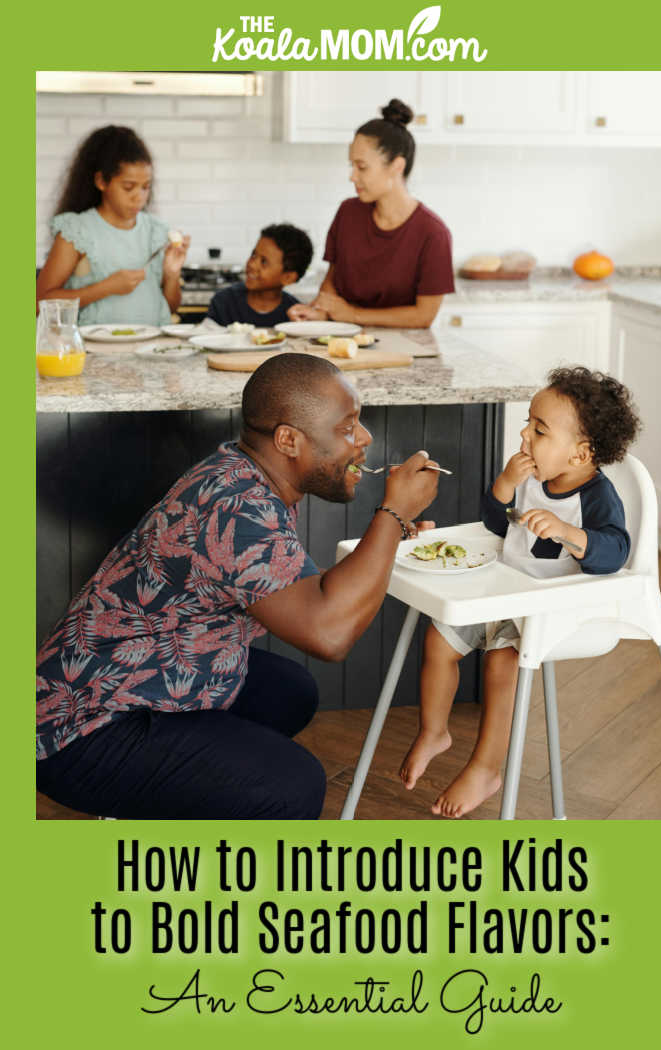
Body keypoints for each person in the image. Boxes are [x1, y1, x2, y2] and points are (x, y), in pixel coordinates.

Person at [36, 354, 439, 820]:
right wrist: (392, 516)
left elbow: (302, 587)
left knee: (290, 691)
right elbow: (329, 634)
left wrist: (393, 532)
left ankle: (184, 793)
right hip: (81, 729)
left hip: (146, 674)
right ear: (288, 439)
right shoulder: (236, 507)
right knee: (293, 786)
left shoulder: (244, 473)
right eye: (348, 427)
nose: (364, 438)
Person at [399, 366, 641, 818]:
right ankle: (434, 731)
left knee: (501, 662)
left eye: (540, 430)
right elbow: (497, 526)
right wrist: (504, 487)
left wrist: (572, 532)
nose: (525, 435)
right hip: (500, 592)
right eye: (528, 422)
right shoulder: (530, 477)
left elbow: (615, 551)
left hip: (547, 610)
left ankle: (487, 767)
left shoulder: (597, 498)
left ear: (580, 454)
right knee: (439, 639)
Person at [288, 99, 454, 330]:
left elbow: (423, 315)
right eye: (351, 166)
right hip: (342, 340)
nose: (352, 176)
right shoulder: (348, 212)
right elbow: (332, 281)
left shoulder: (433, 233)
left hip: (404, 348)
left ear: (397, 166)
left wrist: (354, 315)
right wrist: (319, 312)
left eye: (362, 167)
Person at [36, 125, 190, 325]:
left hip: (151, 349)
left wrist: (171, 275)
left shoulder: (156, 231)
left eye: (146, 187)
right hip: (95, 352)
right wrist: (105, 288)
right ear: (101, 181)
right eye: (128, 187)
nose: (140, 198)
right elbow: (40, 304)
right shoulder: (77, 231)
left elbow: (169, 307)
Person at [207, 223, 312, 328]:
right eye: (253, 255)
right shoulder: (223, 302)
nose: (252, 264)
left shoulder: (295, 316)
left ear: (288, 277)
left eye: (264, 262)